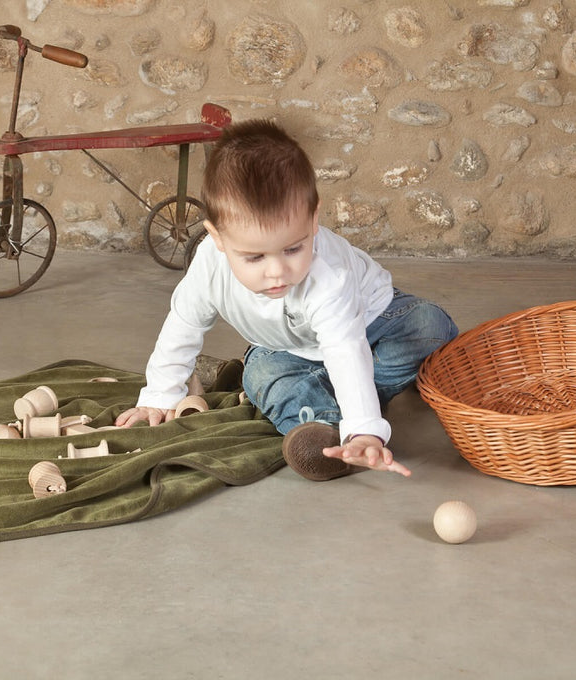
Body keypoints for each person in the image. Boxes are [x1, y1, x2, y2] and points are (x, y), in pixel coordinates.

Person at [116, 119, 458, 481]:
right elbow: (182, 326)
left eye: (293, 248)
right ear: (216, 237)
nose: (277, 271)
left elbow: (346, 347)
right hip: (282, 348)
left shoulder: (329, 276)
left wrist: (364, 429)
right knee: (262, 374)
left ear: (313, 220)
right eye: (255, 257)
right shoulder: (208, 266)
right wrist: (159, 394)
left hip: (373, 324)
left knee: (427, 329)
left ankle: (346, 412)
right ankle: (325, 435)